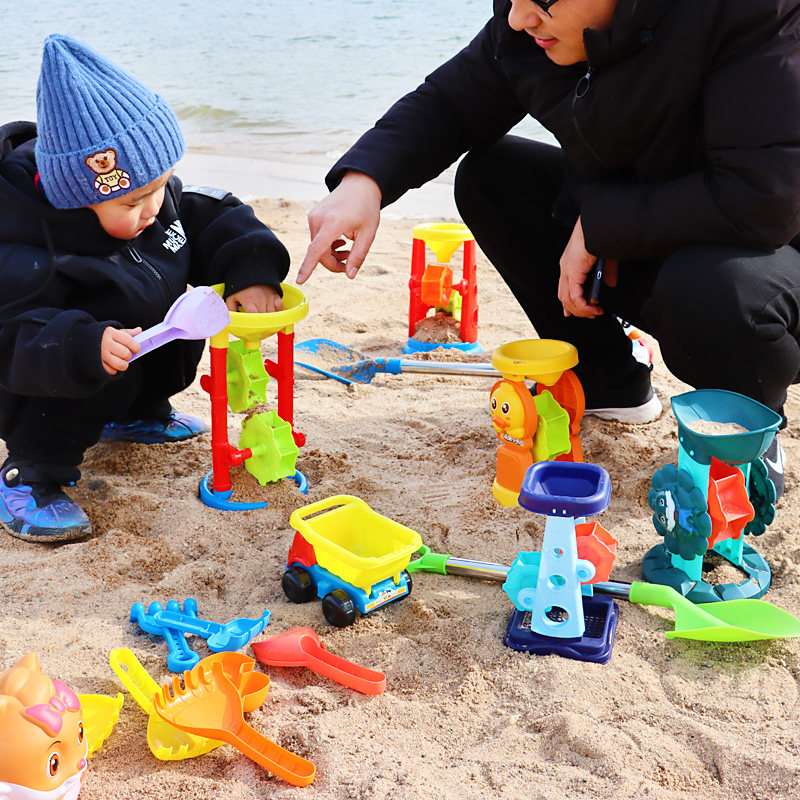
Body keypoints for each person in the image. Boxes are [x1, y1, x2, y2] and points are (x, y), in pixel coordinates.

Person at [298, 0, 800, 499]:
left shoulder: (749, 14)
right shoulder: (525, 30)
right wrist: (364, 182)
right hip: (643, 236)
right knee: (493, 176)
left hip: (766, 263)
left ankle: (748, 429)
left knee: (715, 289)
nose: (519, 18)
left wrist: (601, 223)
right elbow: (449, 104)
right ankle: (606, 382)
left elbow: (764, 197)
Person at [0, 34, 290, 543]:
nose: (153, 209)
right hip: (55, 379)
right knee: (62, 394)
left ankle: (139, 414)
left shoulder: (155, 197)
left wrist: (252, 269)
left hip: (141, 350)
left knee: (173, 317)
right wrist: (79, 345)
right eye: (133, 202)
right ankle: (29, 478)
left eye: (160, 186)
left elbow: (214, 214)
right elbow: (11, 334)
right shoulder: (26, 247)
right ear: (74, 199)